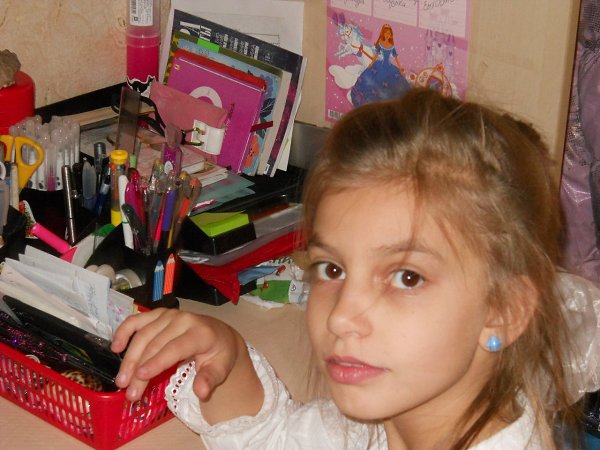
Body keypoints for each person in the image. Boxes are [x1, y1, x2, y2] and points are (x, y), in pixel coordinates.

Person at [111, 88, 600, 449]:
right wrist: (229, 357)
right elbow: (278, 441)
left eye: (406, 277)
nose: (342, 315)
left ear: (504, 311)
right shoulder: (386, 417)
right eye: (332, 269)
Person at [350, 23, 411, 107]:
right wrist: (372, 63)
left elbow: (396, 57)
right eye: (386, 33)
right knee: (369, 81)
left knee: (393, 86)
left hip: (388, 67)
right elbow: (376, 55)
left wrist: (400, 68)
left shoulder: (391, 46)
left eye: (389, 33)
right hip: (378, 65)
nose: (387, 35)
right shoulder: (381, 44)